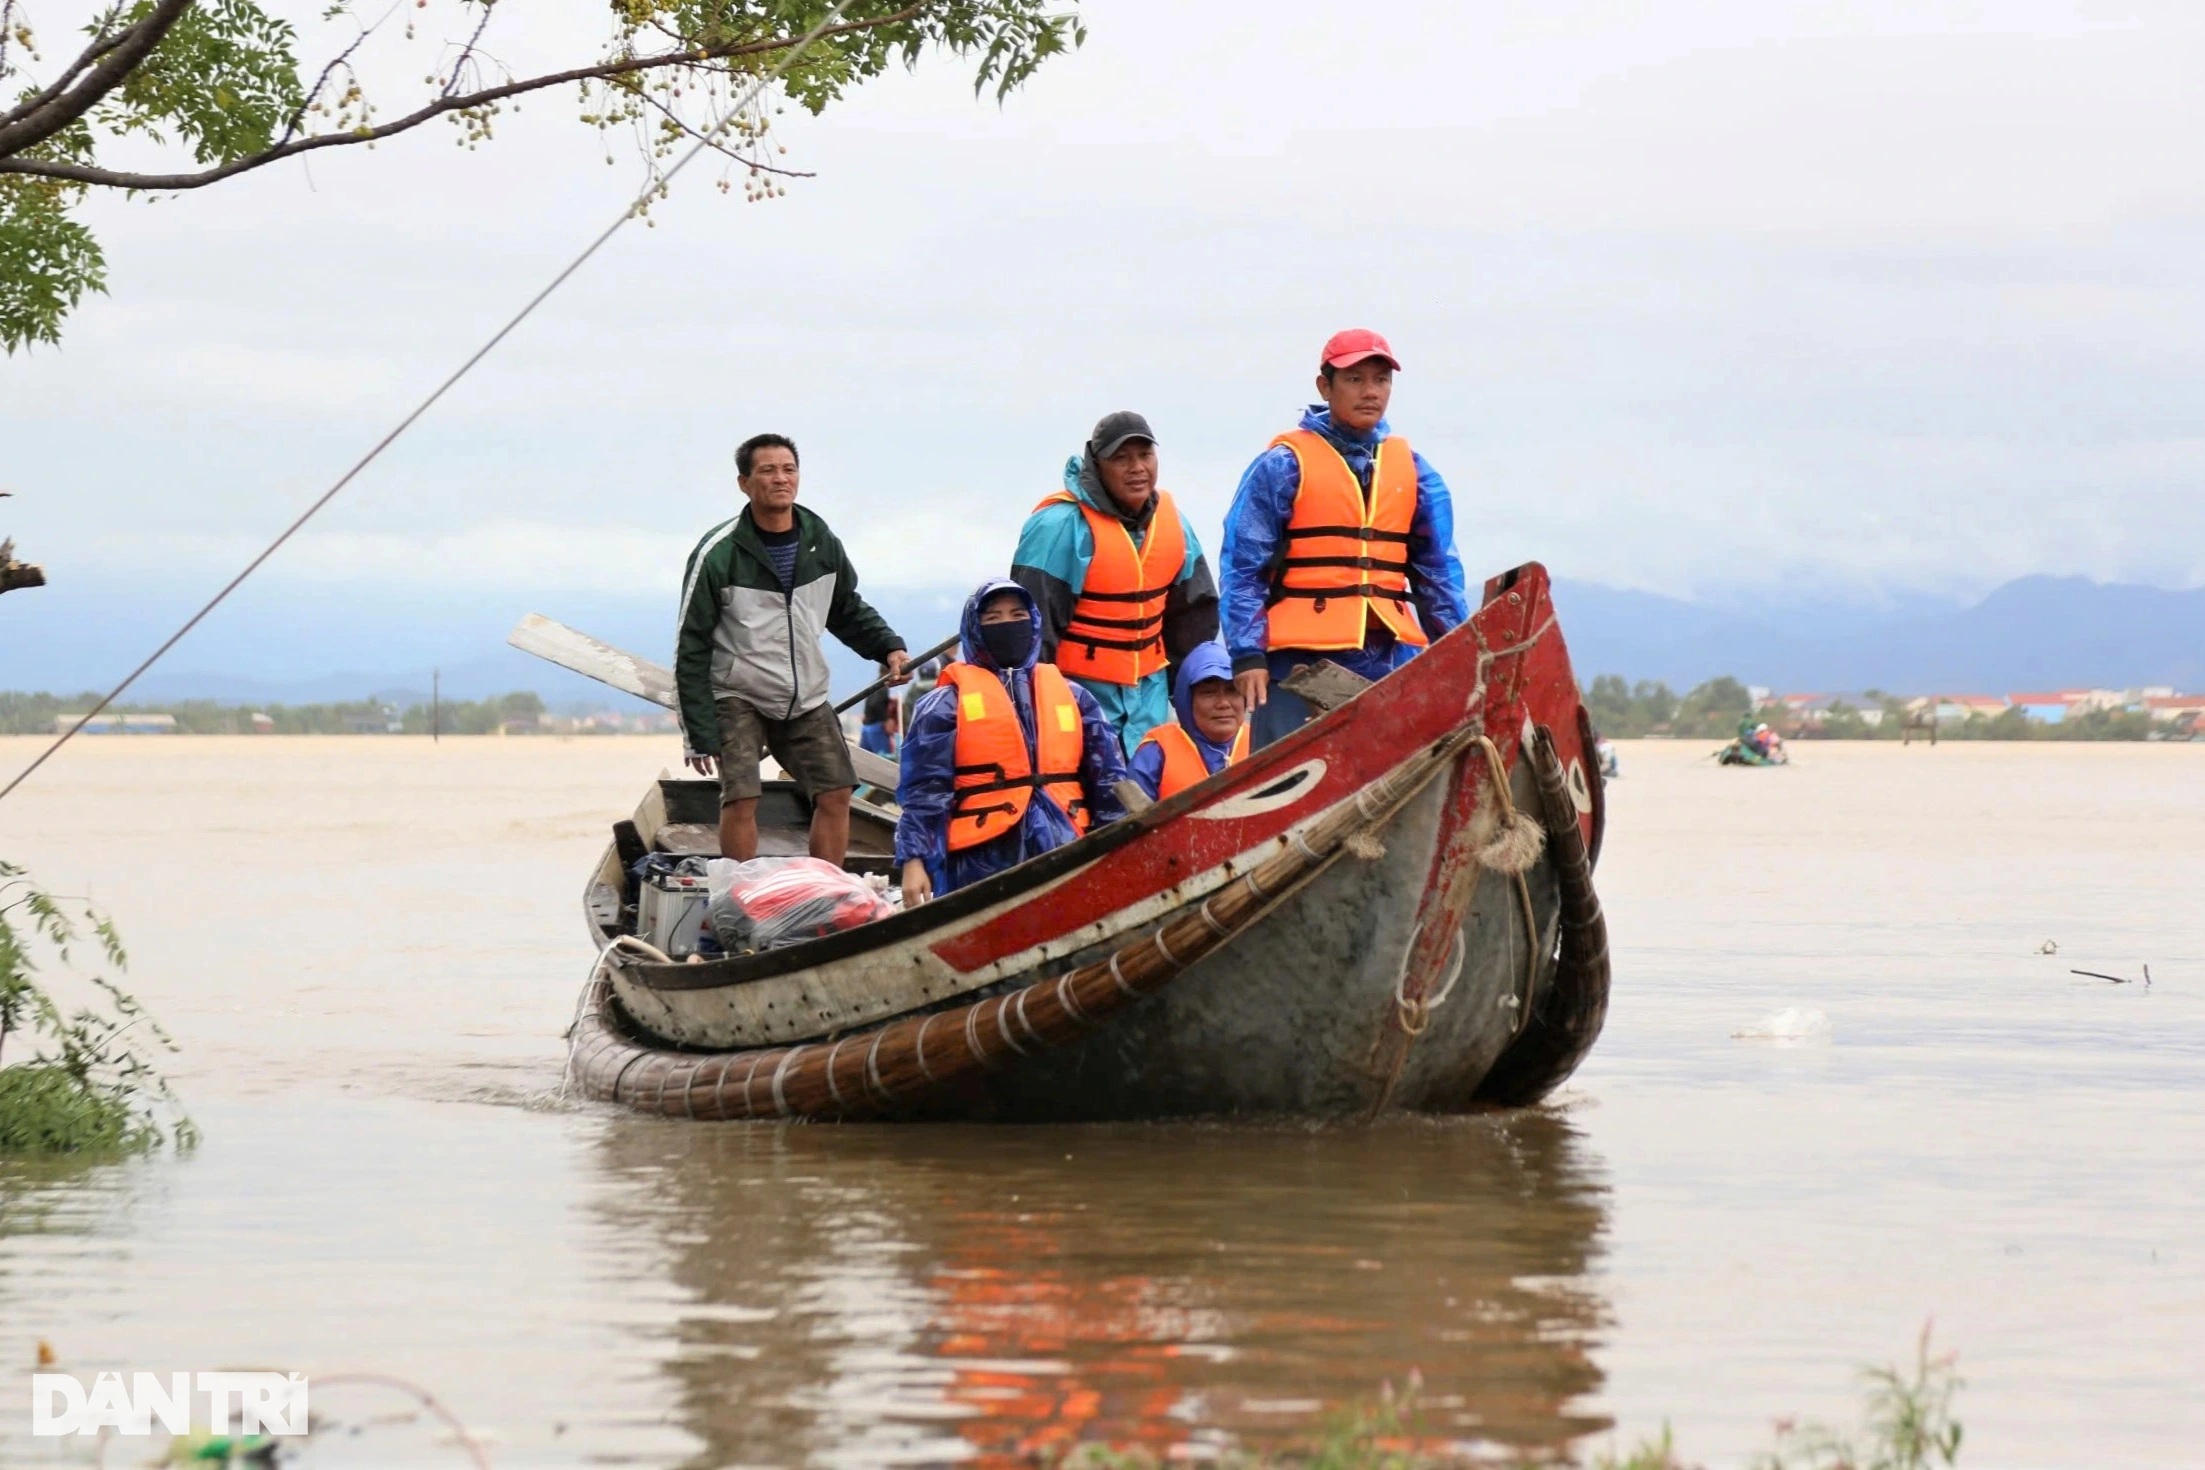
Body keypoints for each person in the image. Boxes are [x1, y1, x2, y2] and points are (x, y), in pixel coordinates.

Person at [1219, 330, 1470, 749]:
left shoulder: (1414, 470)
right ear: (1325, 386)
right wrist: (1247, 655)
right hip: (1295, 666)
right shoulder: (1282, 465)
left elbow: (1439, 575)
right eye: (1355, 379)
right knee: (1289, 789)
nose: (1370, 392)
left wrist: (1460, 653)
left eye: (1381, 379)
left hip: (1386, 659)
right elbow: (1243, 567)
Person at [677, 433, 908, 864]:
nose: (780, 478)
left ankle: (824, 893)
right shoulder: (718, 554)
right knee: (742, 796)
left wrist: (889, 647)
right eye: (767, 470)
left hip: (805, 694)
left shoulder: (820, 541)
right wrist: (698, 732)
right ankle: (742, 898)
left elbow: (845, 607)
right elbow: (690, 645)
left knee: (837, 791)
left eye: (789, 469)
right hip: (737, 694)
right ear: (744, 483)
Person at [895, 579, 1130, 906]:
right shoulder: (945, 703)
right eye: (992, 619)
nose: (1007, 624)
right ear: (974, 629)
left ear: (1033, 622)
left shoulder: (1074, 697)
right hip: (979, 860)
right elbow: (925, 789)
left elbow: (1108, 777)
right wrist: (914, 860)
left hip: (1067, 841)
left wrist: (1119, 840)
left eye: (1017, 614)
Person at [1011, 411, 1220, 758]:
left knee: (1151, 793)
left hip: (1150, 700)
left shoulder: (1174, 523)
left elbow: (1194, 617)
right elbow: (1031, 629)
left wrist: (1191, 695)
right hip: (1078, 697)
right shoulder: (1059, 525)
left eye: (1145, 455)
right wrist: (1032, 710)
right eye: (1120, 458)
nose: (1137, 467)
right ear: (1097, 465)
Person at [1129, 643, 1249, 802]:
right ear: (1186, 701)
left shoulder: (1262, 742)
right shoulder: (1156, 751)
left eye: (1233, 691)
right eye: (1209, 693)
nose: (1223, 703)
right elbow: (1128, 820)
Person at [858, 683, 899, 758]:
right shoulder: (883, 688)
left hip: (866, 727)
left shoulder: (875, 685)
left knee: (864, 758)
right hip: (876, 728)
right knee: (883, 760)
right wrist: (886, 719)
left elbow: (870, 702)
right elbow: (875, 703)